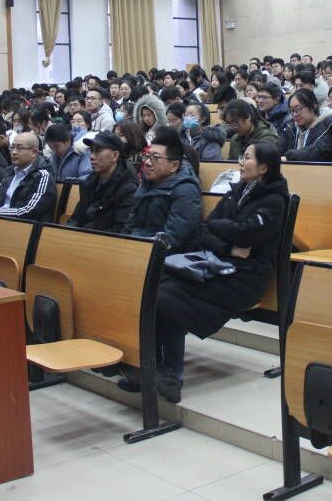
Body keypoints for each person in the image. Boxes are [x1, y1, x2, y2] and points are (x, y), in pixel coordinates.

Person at [144, 143, 291, 402]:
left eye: (247, 157)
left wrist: (221, 229)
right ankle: (150, 367)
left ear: (263, 168)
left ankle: (171, 375)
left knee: (167, 299)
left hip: (246, 277)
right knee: (157, 288)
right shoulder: (238, 191)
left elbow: (248, 233)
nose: (240, 162)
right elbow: (204, 229)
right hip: (219, 264)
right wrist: (229, 246)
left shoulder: (275, 200)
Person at [121, 127, 202, 249]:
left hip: (168, 254)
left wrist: (135, 249)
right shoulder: (146, 183)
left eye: (155, 158)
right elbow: (130, 223)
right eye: (147, 156)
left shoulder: (187, 191)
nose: (147, 163)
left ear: (174, 166)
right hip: (139, 246)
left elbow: (172, 239)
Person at [67, 132, 139, 231]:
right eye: (91, 151)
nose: (92, 156)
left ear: (115, 156)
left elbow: (120, 230)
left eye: (98, 151)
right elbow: (76, 218)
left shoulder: (128, 188)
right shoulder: (90, 182)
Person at [0, 132, 56, 221]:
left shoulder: (43, 176)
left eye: (19, 148)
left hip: (23, 225)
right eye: (12, 147)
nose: (14, 152)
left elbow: (30, 211)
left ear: (33, 152)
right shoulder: (10, 171)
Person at [276, 89, 332, 162]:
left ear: (313, 106)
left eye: (298, 109)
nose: (295, 114)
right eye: (292, 110)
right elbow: (278, 148)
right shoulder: (292, 127)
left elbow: (316, 152)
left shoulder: (331, 127)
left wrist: (289, 157)